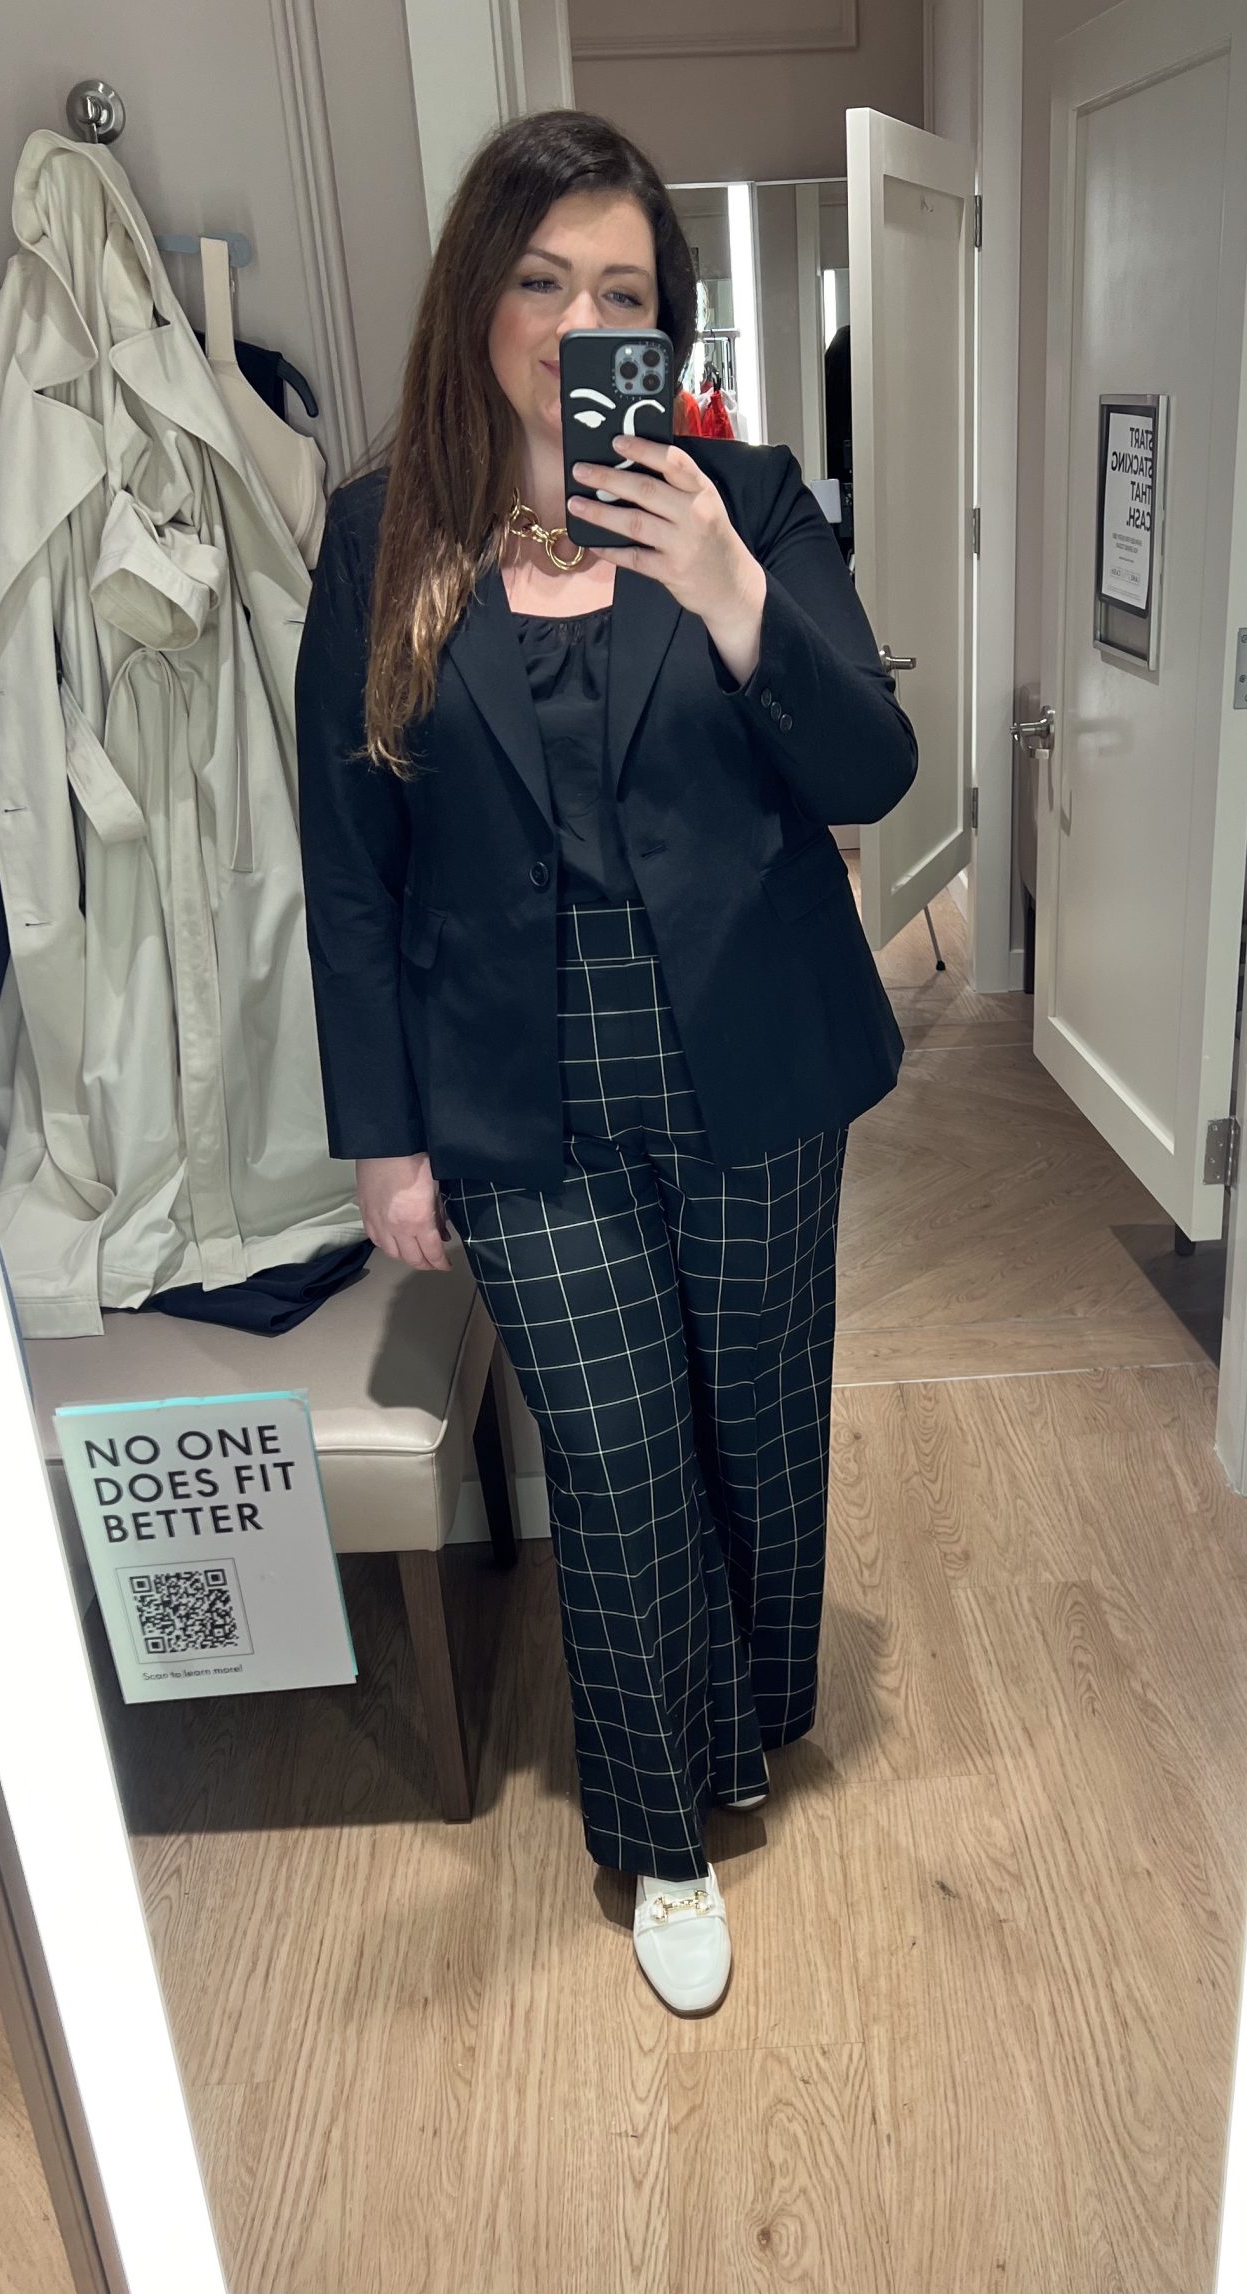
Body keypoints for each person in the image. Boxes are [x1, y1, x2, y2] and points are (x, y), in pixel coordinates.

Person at [295, 110, 916, 2016]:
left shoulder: (754, 504)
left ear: (668, 324)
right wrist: (385, 1141)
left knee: (756, 1418)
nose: (579, 324)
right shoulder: (378, 541)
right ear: (476, 301)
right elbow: (350, 867)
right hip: (519, 1099)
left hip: (752, 1064)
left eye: (622, 292)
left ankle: (751, 1711)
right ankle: (660, 1833)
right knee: (621, 1454)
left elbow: (873, 770)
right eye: (542, 280)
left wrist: (730, 590)